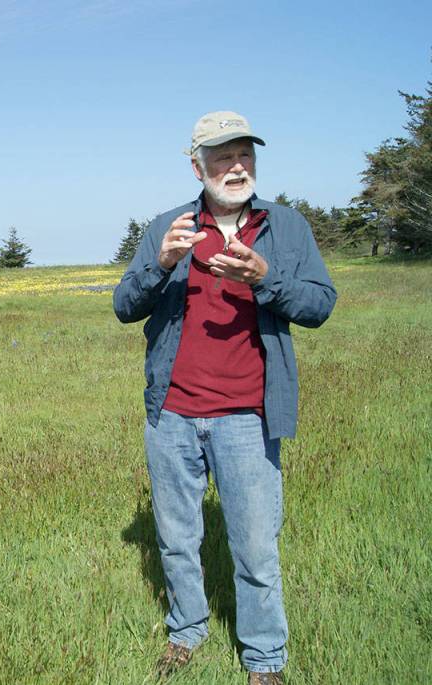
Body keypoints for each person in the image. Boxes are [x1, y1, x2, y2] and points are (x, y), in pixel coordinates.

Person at [113, 112, 336, 684]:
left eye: (244, 155)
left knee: (257, 549)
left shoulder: (285, 227)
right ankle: (186, 632)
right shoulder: (169, 227)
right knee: (176, 539)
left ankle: (263, 659)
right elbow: (123, 305)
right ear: (197, 166)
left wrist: (264, 278)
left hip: (248, 417)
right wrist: (161, 265)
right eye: (221, 157)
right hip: (172, 415)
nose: (235, 167)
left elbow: (319, 306)